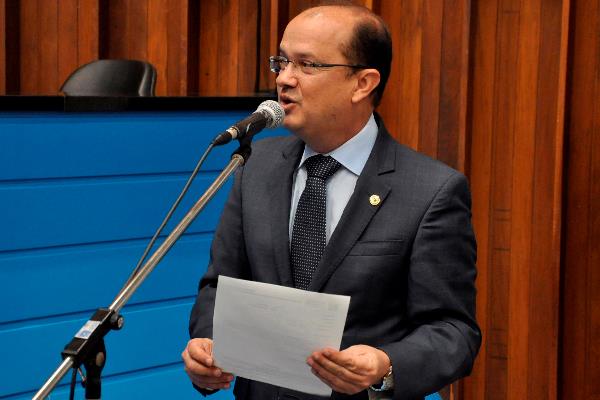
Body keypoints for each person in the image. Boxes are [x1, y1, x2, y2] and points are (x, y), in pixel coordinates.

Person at [182, 3, 480, 400]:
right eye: (281, 62)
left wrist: (385, 366)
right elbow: (219, 285)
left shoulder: (430, 191)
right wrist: (207, 345)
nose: (284, 79)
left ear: (363, 83)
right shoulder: (256, 166)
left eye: (307, 65)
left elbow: (453, 331)